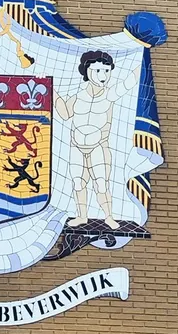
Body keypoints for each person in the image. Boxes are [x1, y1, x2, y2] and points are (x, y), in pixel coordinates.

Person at [54, 51, 139, 229]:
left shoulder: (110, 94)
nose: (103, 76)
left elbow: (130, 81)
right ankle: (81, 217)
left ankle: (109, 217)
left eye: (107, 71)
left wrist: (143, 55)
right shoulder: (77, 97)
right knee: (78, 182)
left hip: (98, 146)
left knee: (101, 184)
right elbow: (64, 114)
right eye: (98, 71)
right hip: (76, 146)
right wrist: (51, 90)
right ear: (86, 71)